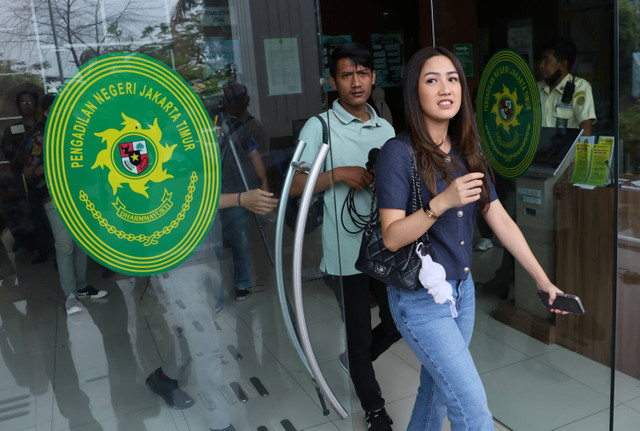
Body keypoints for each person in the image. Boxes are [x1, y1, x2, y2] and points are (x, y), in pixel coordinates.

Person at [375, 46, 566, 431]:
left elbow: (500, 219)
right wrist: (440, 203)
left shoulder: (468, 149)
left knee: (436, 393)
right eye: (432, 80)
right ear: (415, 91)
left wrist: (542, 280)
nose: (445, 88)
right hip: (420, 298)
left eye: (453, 79)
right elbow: (392, 238)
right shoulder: (399, 153)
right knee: (473, 410)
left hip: (462, 294)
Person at [291, 42, 400, 431]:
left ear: (373, 77)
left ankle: (355, 362)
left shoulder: (385, 126)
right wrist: (339, 174)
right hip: (345, 253)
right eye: (346, 75)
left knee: (397, 324)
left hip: (385, 245)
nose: (356, 82)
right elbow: (293, 186)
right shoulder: (319, 127)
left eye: (362, 73)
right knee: (357, 335)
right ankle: (374, 410)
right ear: (333, 81)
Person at [23, 94, 108, 315]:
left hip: (80, 195)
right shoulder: (38, 137)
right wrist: (49, 165)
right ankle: (70, 296)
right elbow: (28, 171)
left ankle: (81, 288)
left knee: (82, 242)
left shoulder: (74, 132)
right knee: (64, 246)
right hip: (54, 198)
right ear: (45, 112)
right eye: (54, 109)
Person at [537, 37, 597, 134]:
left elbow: (586, 128)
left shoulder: (579, 87)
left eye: (546, 60)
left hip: (566, 149)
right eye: (541, 60)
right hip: (538, 149)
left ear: (562, 64)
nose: (541, 65)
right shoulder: (536, 88)